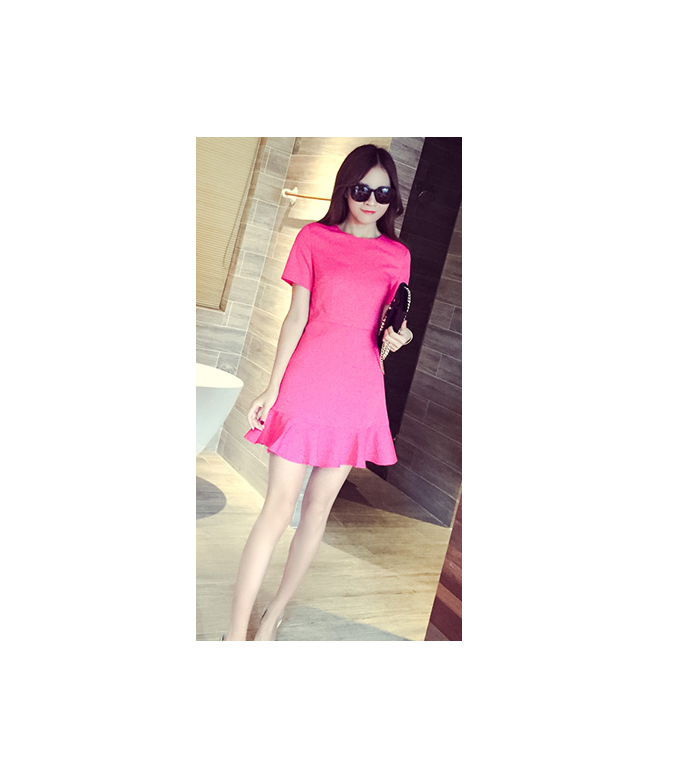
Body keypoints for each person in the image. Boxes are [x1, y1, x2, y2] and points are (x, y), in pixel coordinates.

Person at [222, 144, 413, 641]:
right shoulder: (314, 238)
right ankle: (236, 631)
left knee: (317, 511)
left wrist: (397, 339)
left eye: (383, 193)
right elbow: (296, 318)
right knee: (278, 506)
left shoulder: (398, 256)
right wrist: (272, 387)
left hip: (359, 390)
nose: (371, 201)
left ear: (393, 198)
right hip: (307, 381)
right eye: (362, 189)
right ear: (345, 189)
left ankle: (273, 615)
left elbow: (384, 330)